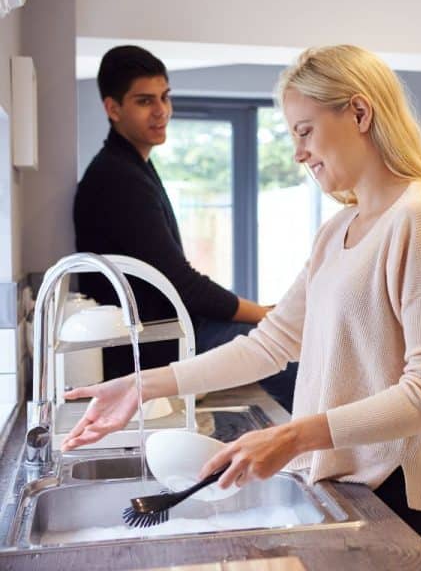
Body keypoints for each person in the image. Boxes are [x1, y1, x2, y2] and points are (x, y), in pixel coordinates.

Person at [63, 44, 421, 570]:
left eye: (305, 131)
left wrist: (292, 436)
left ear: (359, 112)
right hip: (348, 491)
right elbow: (271, 342)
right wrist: (142, 384)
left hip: (406, 506)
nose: (299, 153)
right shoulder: (337, 231)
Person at [73, 45, 296, 412]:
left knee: (272, 337)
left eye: (164, 97)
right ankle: (330, 443)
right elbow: (181, 283)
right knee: (273, 344)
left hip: (164, 332)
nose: (161, 111)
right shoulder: (118, 178)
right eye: (145, 101)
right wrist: (263, 314)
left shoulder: (129, 167)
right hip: (151, 343)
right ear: (113, 109)